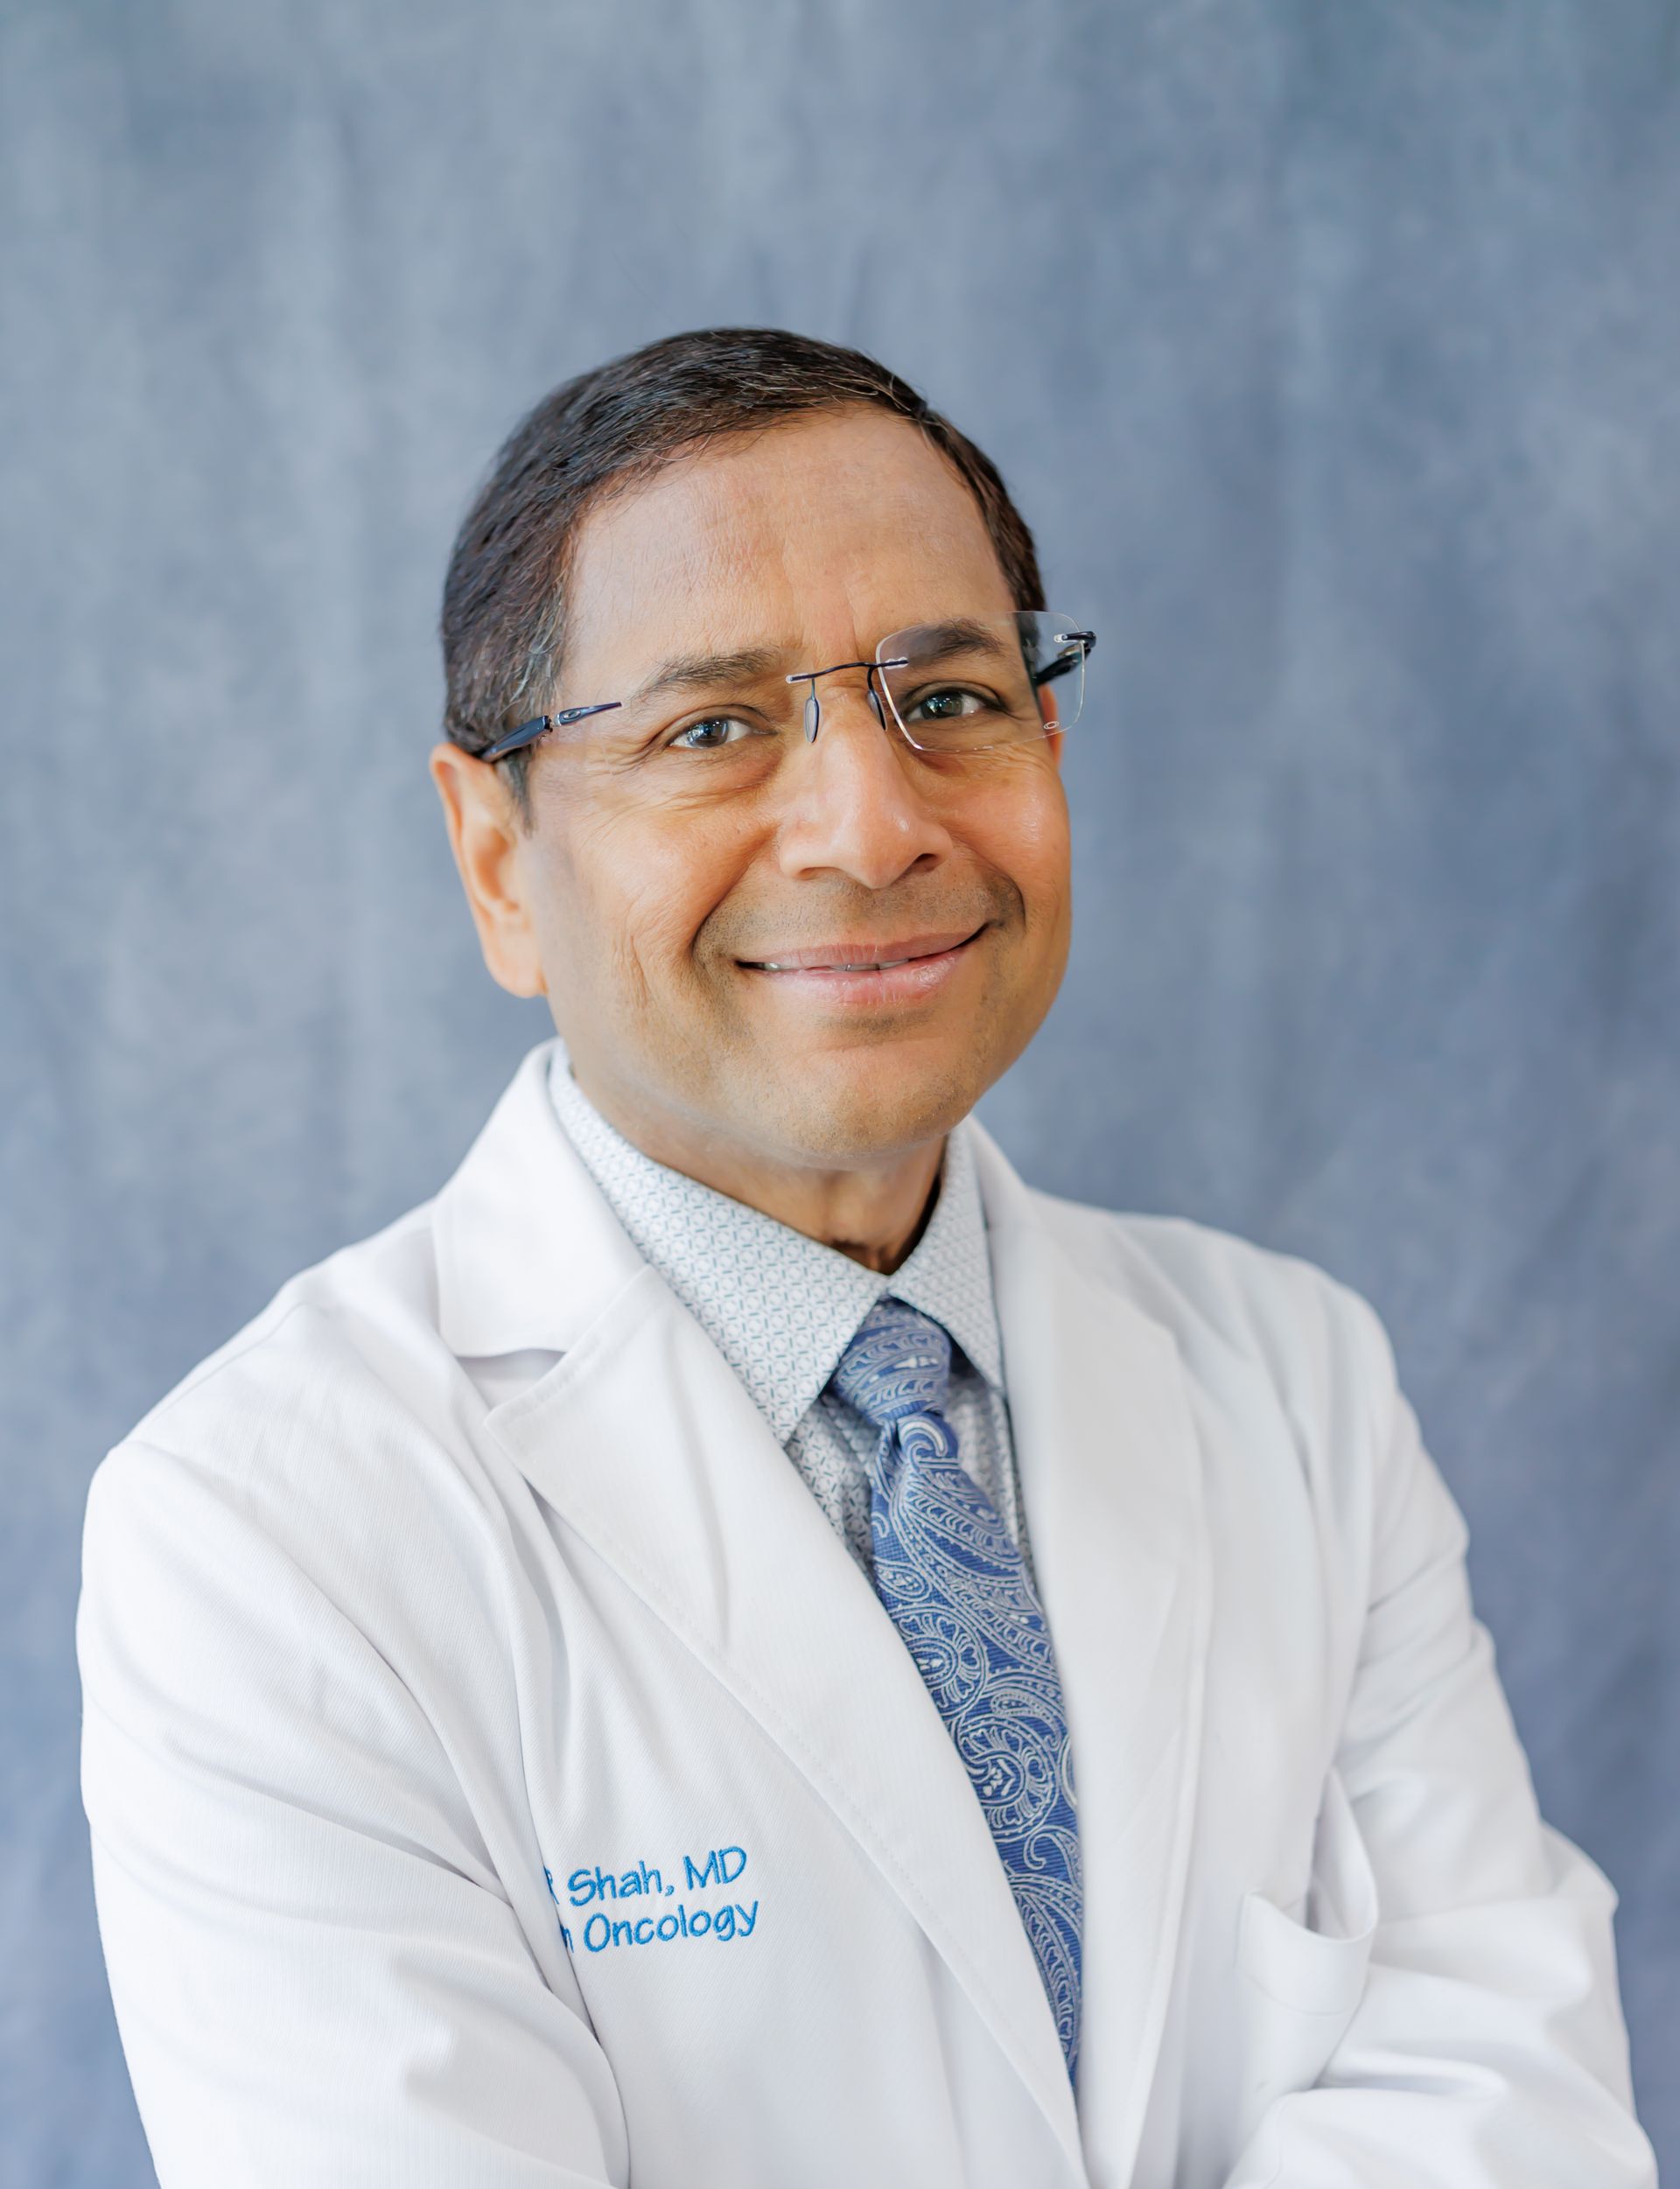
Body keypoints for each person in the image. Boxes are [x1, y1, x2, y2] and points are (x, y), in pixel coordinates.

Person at [78, 327, 1655, 2189]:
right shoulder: (269, 1535)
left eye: (954, 699)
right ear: (499, 855)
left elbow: (1514, 2111)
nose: (872, 824)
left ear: (1050, 744)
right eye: (713, 727)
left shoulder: (1297, 1382)